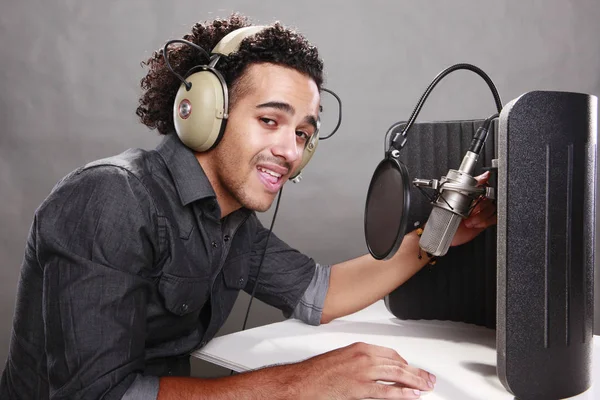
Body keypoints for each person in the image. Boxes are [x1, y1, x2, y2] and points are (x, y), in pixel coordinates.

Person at [0, 13, 497, 400]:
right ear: (205, 114)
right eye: (269, 120)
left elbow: (320, 293)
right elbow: (95, 394)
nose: (291, 150)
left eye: (303, 132)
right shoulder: (110, 199)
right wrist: (297, 384)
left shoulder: (232, 220)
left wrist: (440, 236)